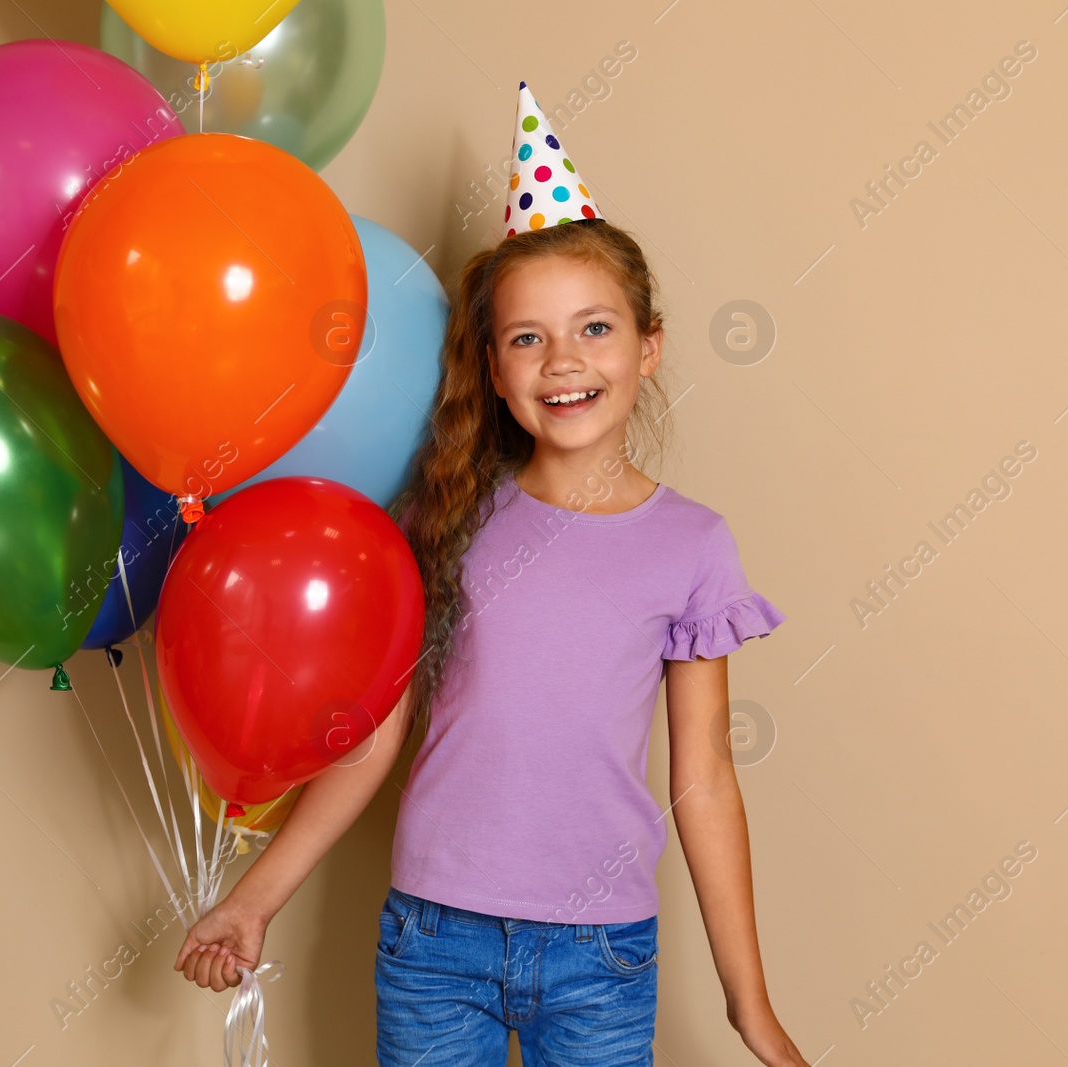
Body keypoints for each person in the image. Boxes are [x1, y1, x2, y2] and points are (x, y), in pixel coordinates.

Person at [175, 82, 808, 1067]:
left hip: (601, 952)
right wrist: (252, 898)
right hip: (434, 941)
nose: (564, 359)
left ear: (649, 347)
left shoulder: (692, 544)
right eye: (528, 337)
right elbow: (366, 745)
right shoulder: (445, 521)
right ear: (496, 366)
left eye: (595, 328)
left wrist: (750, 1006)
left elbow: (706, 781)